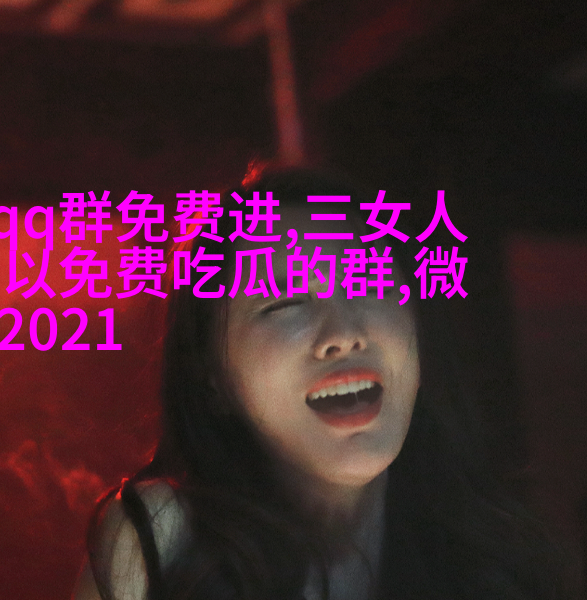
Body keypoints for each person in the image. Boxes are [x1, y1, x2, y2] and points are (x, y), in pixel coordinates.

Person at [74, 167, 570, 600]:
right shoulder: (164, 540)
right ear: (212, 379)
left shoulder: (496, 556)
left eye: (370, 283)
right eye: (285, 303)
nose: (343, 335)